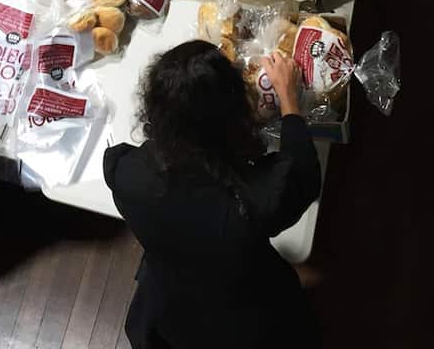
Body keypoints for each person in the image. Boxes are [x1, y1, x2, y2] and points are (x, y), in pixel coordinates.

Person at [104, 42, 322, 348]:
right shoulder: (252, 202)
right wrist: (288, 98)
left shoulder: (126, 173)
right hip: (248, 315)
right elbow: (303, 174)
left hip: (174, 306)